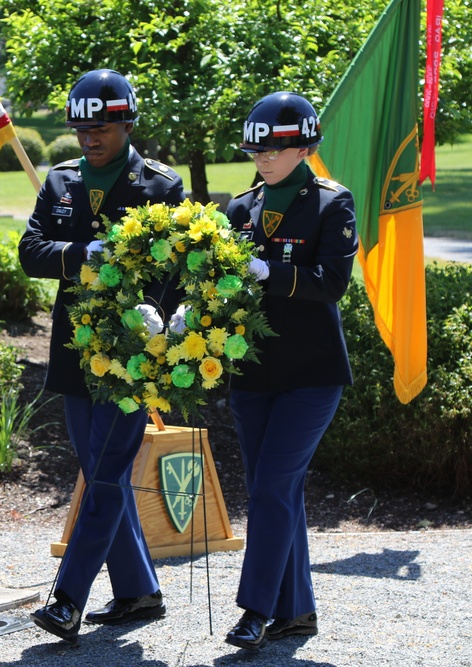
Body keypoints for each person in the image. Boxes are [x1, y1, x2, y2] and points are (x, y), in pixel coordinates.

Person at [18, 69, 184, 643]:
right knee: (98, 470)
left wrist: (148, 318)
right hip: (72, 349)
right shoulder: (61, 179)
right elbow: (31, 250)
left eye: (104, 126)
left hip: (131, 353)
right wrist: (77, 253)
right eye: (83, 126)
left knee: (108, 471)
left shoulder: (160, 187)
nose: (91, 136)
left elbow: (171, 270)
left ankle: (67, 598)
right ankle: (140, 592)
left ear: (128, 123)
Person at [223, 91, 358, 650]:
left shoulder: (331, 203)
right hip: (252, 375)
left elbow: (331, 283)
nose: (265, 159)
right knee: (273, 488)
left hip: (312, 373)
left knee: (273, 487)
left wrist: (269, 272)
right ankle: (297, 610)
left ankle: (256, 609)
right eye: (257, 150)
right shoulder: (238, 207)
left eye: (276, 149)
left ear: (304, 146)